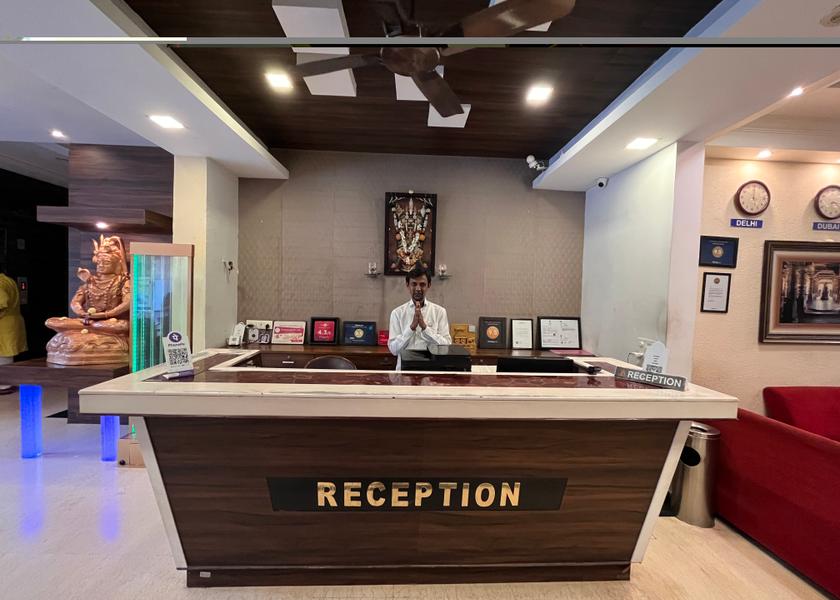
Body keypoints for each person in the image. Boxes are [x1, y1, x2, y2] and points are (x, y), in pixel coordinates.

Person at [388, 263, 451, 369]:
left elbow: (446, 345)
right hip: (404, 372)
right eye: (414, 284)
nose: (418, 288)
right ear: (407, 285)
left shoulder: (440, 312)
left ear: (429, 285)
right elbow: (394, 350)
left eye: (422, 284)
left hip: (431, 372)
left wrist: (425, 328)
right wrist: (411, 328)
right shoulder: (397, 313)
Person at [0, 268, 27, 393]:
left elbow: (2, 302)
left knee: (3, 353)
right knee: (6, 353)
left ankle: (3, 384)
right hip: (11, 321)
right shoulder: (7, 280)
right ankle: (6, 383)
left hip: (3, 323)